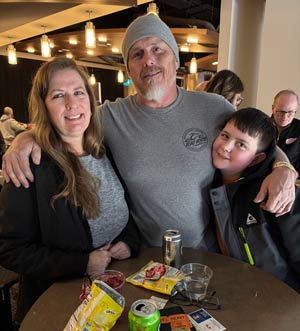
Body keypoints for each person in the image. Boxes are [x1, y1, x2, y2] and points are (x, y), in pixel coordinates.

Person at [1, 13, 297, 250]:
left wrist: (284, 167)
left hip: (209, 251)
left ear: (175, 58)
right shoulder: (110, 116)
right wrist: (27, 138)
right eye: (137, 54)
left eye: (158, 49)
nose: (149, 61)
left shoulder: (213, 107)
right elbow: (67, 123)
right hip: (143, 257)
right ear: (129, 68)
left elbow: (259, 141)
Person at [0, 58, 140, 321]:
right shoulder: (31, 164)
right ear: (44, 107)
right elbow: (9, 249)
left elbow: (122, 212)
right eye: (58, 96)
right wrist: (82, 263)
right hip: (56, 307)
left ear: (90, 100)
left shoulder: (103, 151)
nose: (71, 104)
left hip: (108, 297)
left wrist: (128, 242)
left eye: (78, 92)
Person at [210, 107, 300, 289]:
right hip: (235, 291)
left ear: (256, 159)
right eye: (225, 136)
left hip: (278, 298)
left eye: (241, 144)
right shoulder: (212, 183)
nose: (226, 146)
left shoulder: (275, 191)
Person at [271, 89, 300, 173]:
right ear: (273, 108)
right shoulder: (261, 127)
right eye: (280, 112)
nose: (284, 117)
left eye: (290, 112)